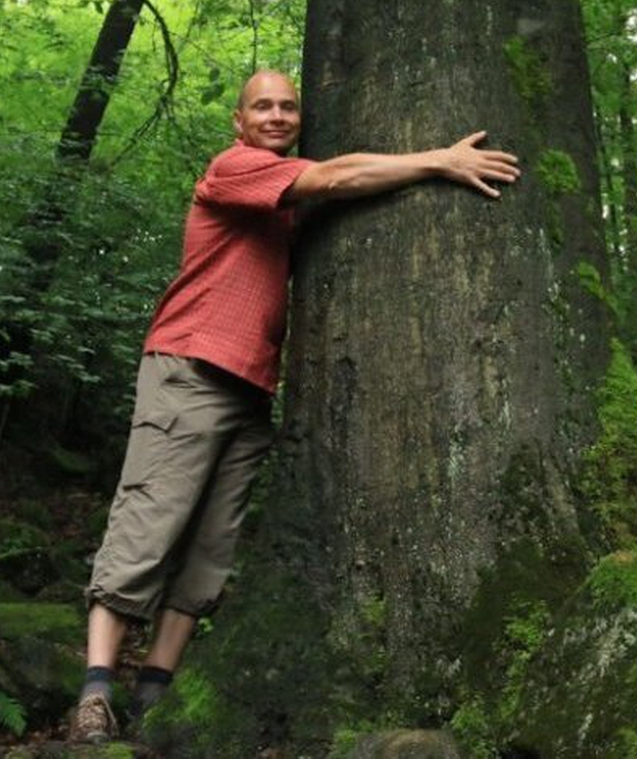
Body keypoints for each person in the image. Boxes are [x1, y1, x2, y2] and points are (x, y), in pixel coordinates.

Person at [69, 69, 519, 743]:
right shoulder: (236, 168)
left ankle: (154, 691)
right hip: (190, 367)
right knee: (149, 521)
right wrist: (440, 159)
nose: (276, 115)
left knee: (211, 546)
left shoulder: (286, 192)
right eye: (263, 106)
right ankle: (95, 691)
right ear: (239, 120)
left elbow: (338, 175)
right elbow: (337, 177)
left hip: (252, 389)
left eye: (287, 106)